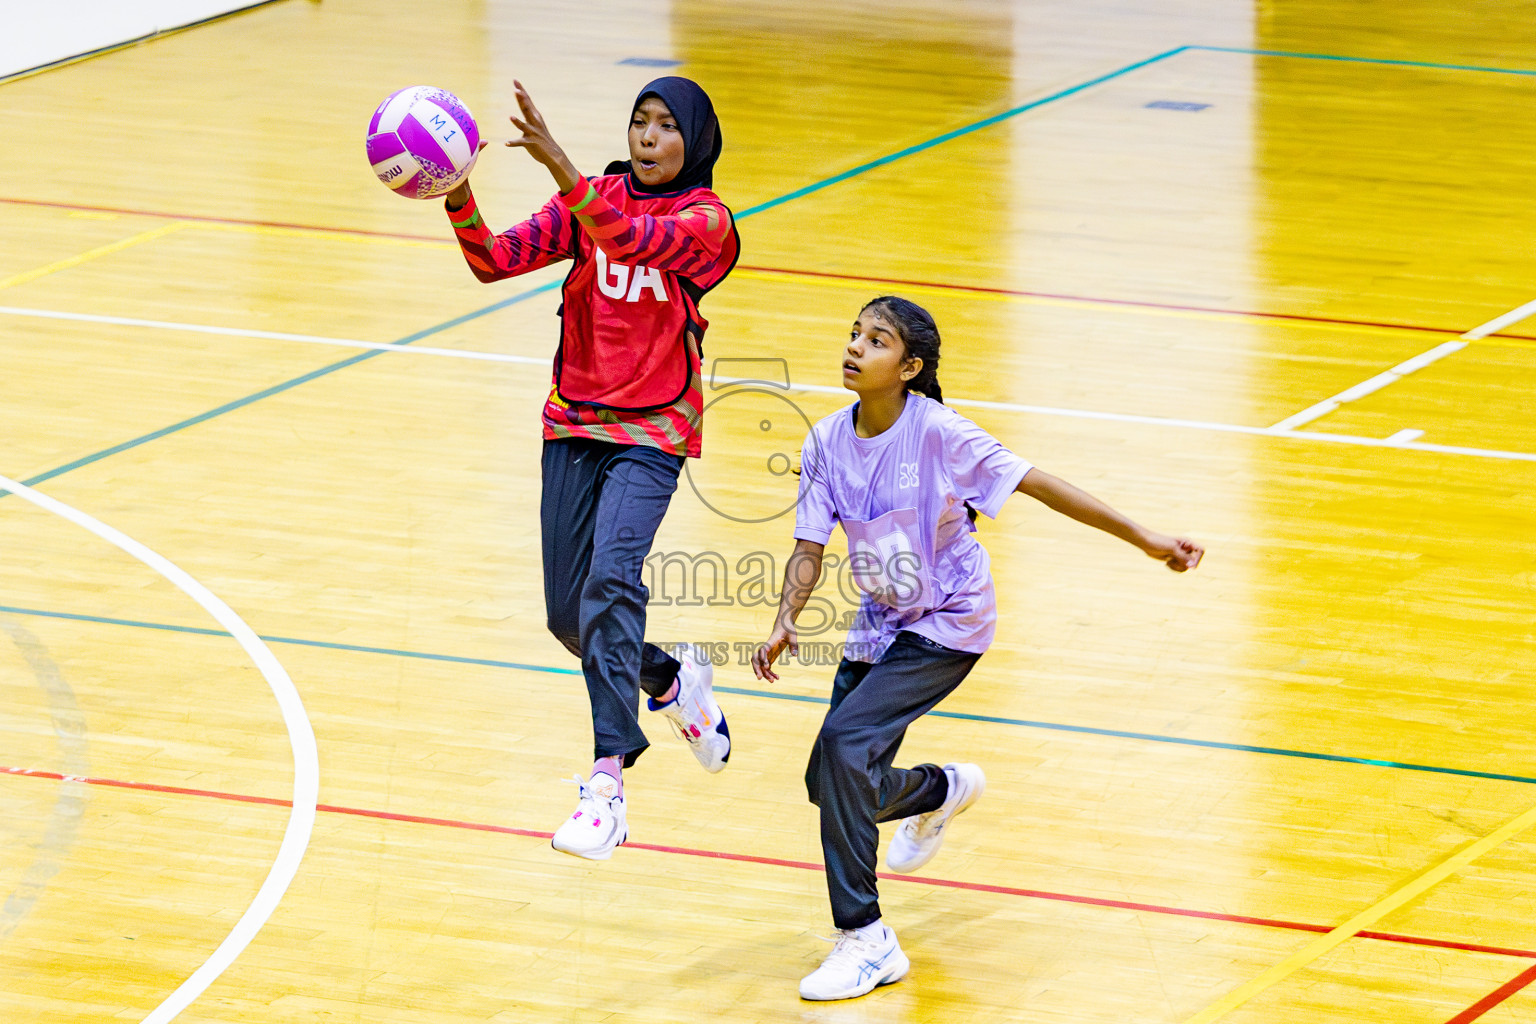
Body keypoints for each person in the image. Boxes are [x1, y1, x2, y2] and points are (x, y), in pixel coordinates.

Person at [751, 296, 1203, 1001]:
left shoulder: (940, 434)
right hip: (881, 619)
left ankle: (865, 938)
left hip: (949, 620)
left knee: (844, 746)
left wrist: (1147, 540)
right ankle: (942, 789)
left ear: (910, 367)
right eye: (854, 334)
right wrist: (786, 619)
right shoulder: (826, 443)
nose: (855, 347)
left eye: (876, 341)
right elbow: (810, 540)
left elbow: (1043, 486)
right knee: (828, 783)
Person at [443, 77, 740, 861]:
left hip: (655, 429)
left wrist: (563, 172)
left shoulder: (706, 222)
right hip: (572, 422)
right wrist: (456, 189)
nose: (647, 137)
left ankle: (607, 783)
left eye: (665, 126)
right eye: (639, 121)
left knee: (612, 583)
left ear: (695, 142)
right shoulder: (593, 197)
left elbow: (634, 242)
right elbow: (492, 261)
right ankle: (672, 681)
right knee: (570, 620)